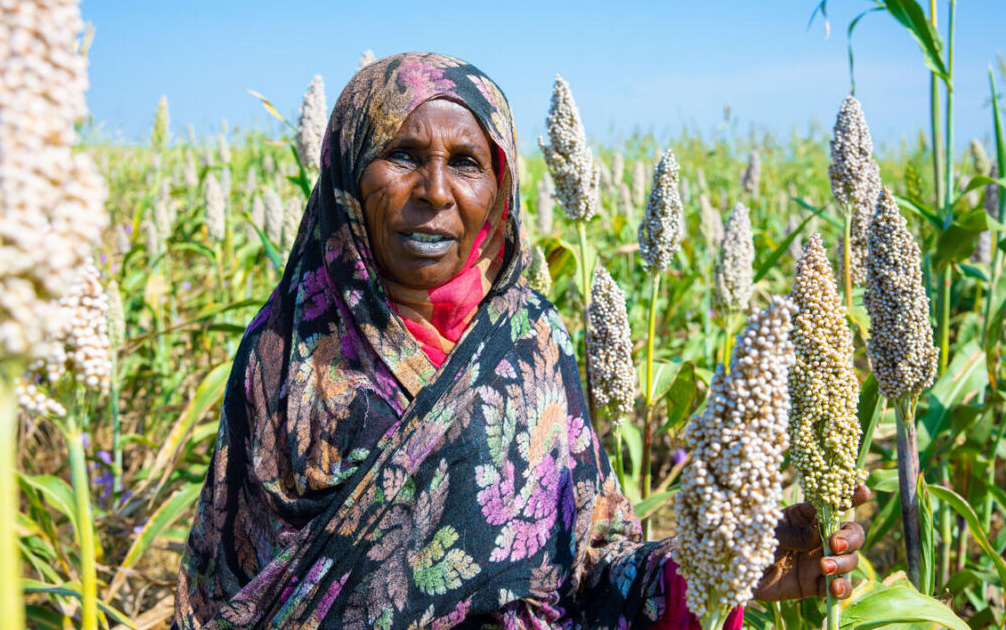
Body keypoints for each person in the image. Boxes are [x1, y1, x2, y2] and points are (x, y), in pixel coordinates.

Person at [174, 52, 868, 630]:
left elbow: (590, 566)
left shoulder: (531, 342)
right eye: (404, 155)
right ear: (349, 172)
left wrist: (728, 560)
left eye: (466, 162)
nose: (437, 190)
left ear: (500, 185)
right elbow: (239, 592)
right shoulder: (287, 353)